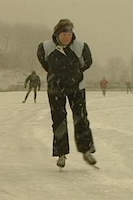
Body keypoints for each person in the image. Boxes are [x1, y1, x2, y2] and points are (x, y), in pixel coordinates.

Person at [37, 19, 96, 168]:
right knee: (59, 120)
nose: (67, 37)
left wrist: (74, 73)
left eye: (69, 34)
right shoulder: (45, 47)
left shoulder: (81, 46)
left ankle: (86, 150)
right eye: (64, 34)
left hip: (76, 87)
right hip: (56, 89)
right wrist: (57, 75)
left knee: (81, 118)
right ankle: (61, 154)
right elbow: (45, 63)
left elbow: (87, 63)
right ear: (57, 34)